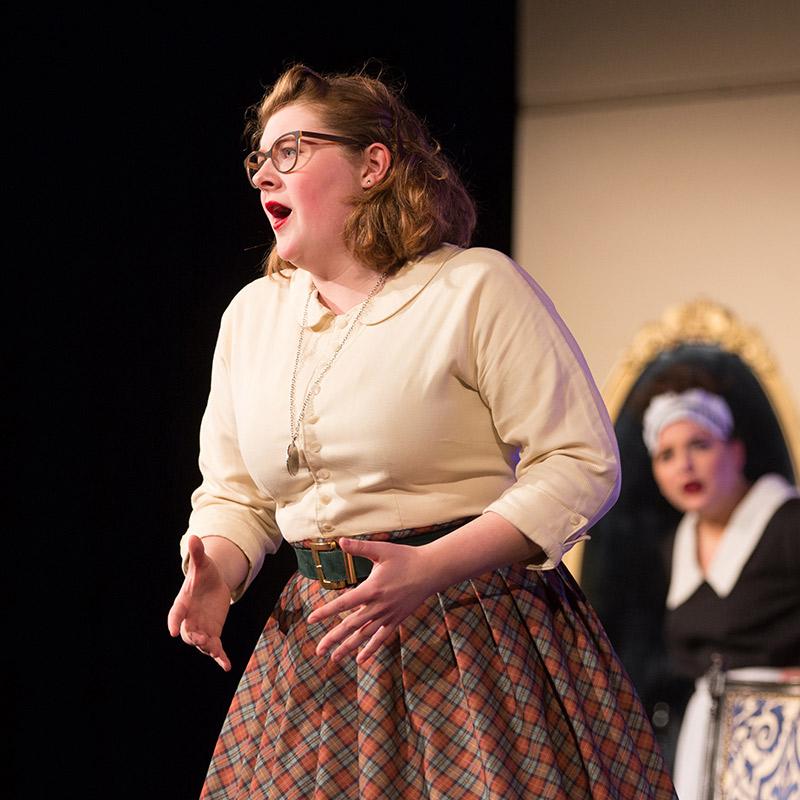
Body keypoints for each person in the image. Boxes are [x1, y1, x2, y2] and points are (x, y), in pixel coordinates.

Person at [167, 63, 676, 799]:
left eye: (291, 152)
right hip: (321, 648)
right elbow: (237, 493)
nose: (262, 177)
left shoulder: (470, 288)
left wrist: (432, 567)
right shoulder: (251, 317)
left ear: (373, 164)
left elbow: (580, 462)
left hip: (472, 634)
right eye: (259, 158)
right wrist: (220, 569)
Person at [642, 386, 800, 800]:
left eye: (700, 444)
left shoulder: (788, 523)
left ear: (736, 452)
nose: (685, 466)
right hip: (706, 731)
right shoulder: (675, 544)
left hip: (783, 732)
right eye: (667, 455)